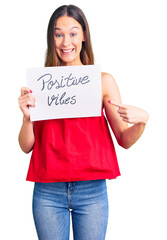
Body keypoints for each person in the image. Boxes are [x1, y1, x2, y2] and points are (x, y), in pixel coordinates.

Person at [18, 5, 149, 240]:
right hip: (48, 190)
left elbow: (124, 140)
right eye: (58, 34)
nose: (66, 42)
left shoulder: (103, 81)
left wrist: (142, 121)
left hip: (91, 191)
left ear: (84, 36)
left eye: (73, 33)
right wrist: (27, 119)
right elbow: (26, 146)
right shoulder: (41, 84)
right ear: (51, 39)